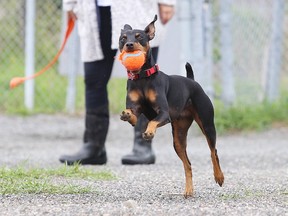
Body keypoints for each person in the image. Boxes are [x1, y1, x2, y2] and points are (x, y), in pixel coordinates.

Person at [59, 0, 176, 165]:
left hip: (136, 6)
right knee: (94, 79)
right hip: (94, 10)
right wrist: (70, 3)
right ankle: (93, 146)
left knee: (146, 81)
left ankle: (143, 145)